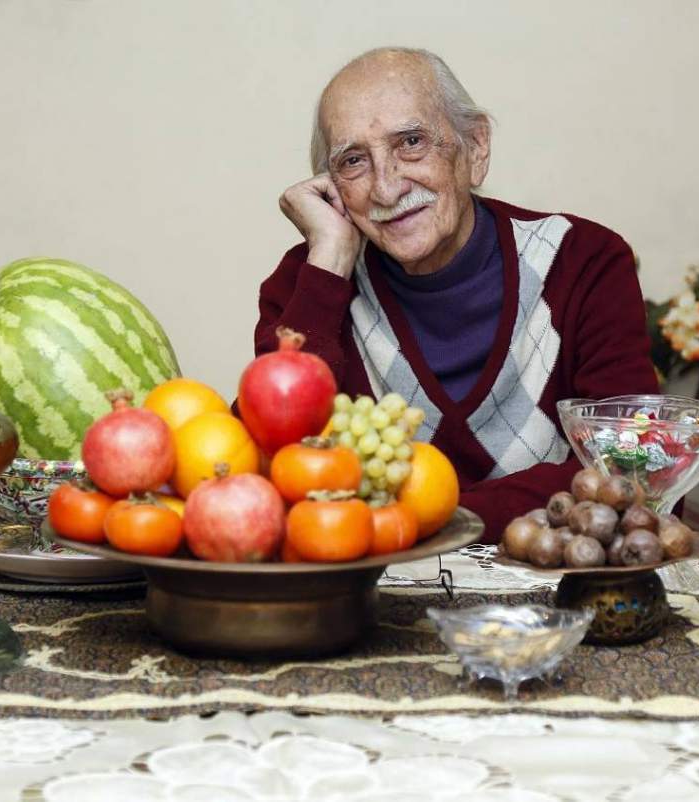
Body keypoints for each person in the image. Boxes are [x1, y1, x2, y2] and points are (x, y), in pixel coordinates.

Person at [254, 47, 657, 541]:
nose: (386, 189)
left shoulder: (582, 261)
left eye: (411, 143)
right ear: (332, 187)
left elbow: (633, 469)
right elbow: (271, 466)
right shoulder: (308, 280)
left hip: (556, 579)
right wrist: (330, 261)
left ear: (476, 147)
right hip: (376, 586)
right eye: (353, 161)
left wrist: (423, 517)